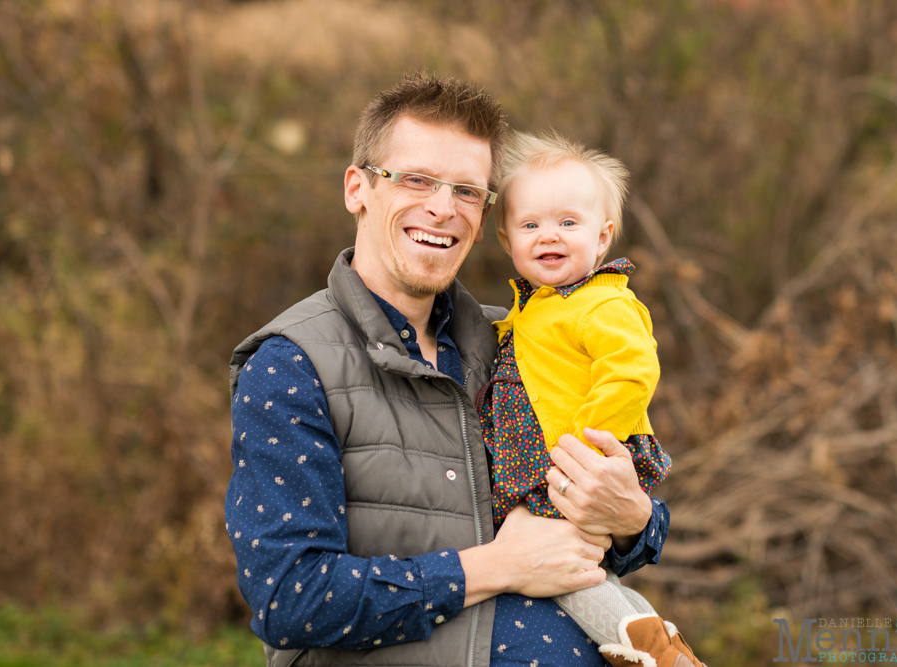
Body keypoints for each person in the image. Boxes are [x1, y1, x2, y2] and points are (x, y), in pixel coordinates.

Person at [225, 73, 670, 667]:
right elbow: (291, 599)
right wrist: (496, 567)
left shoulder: (509, 344)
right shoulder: (292, 365)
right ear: (358, 188)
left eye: (467, 190)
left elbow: (619, 533)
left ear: (485, 219)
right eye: (416, 179)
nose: (442, 207)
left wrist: (633, 518)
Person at [479, 131, 706, 667]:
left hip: (572, 465)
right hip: (551, 465)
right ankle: (660, 641)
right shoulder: (533, 308)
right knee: (583, 568)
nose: (548, 235)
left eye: (567, 223)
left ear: (602, 238)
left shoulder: (602, 302)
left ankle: (644, 647)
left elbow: (631, 370)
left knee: (567, 571)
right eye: (530, 225)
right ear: (508, 241)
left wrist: (582, 447)